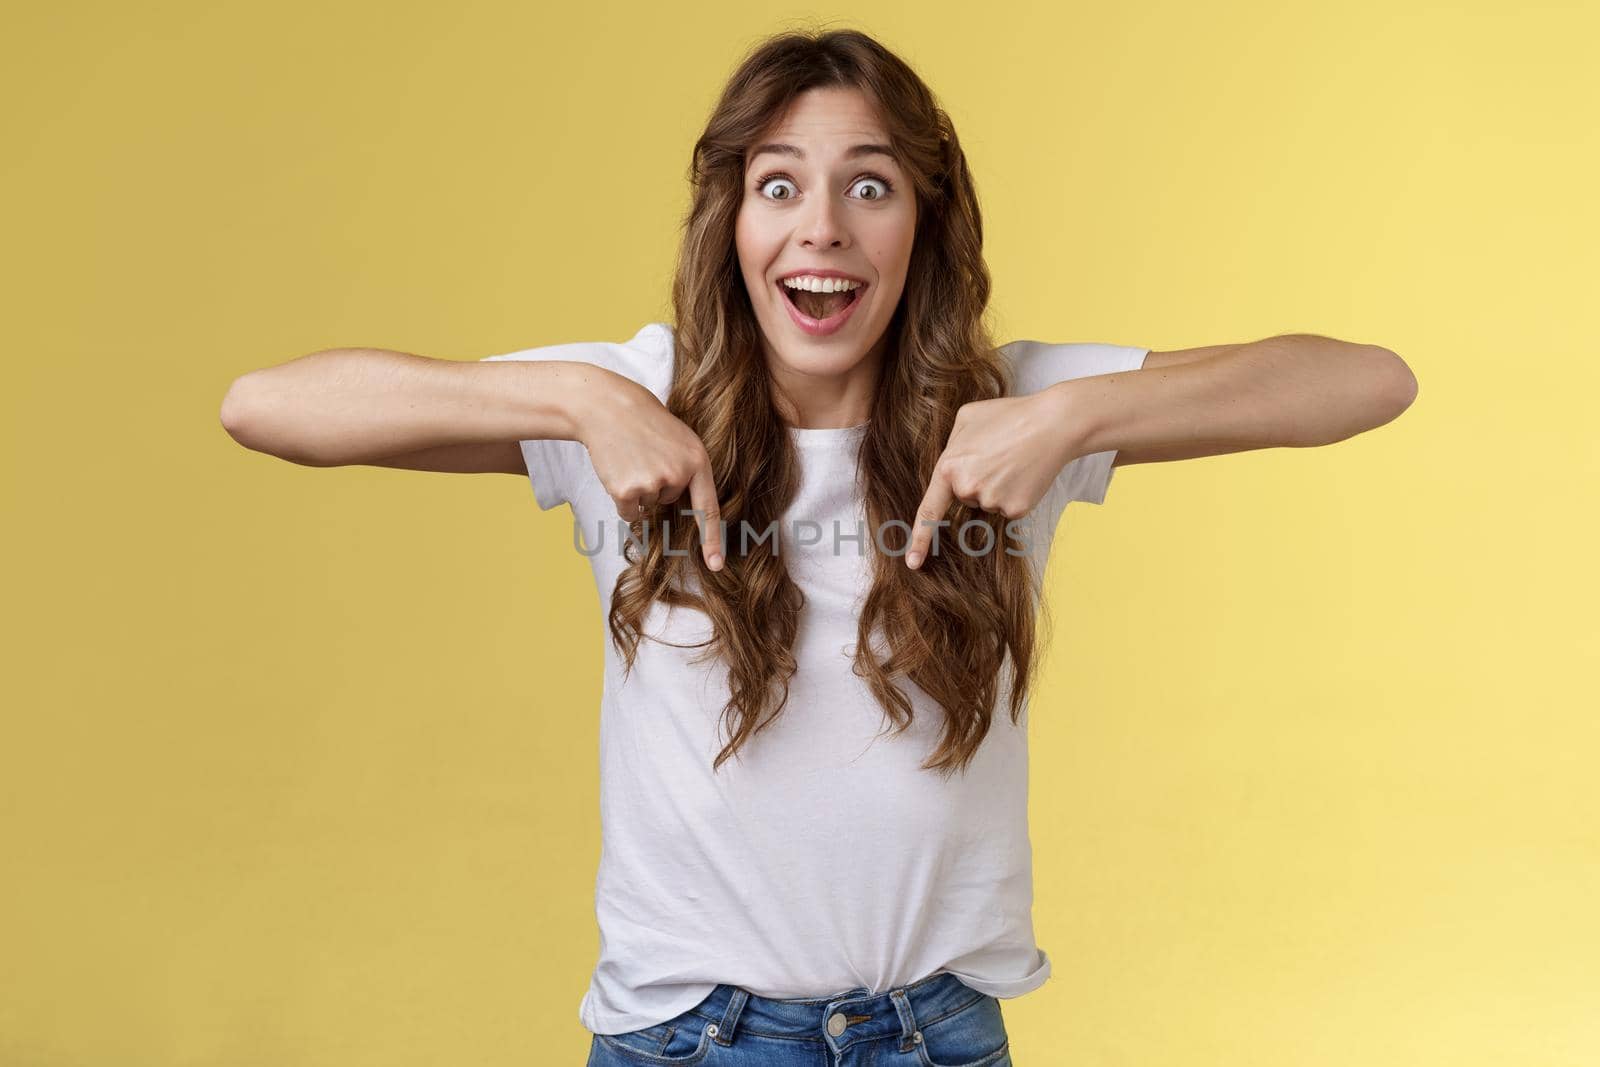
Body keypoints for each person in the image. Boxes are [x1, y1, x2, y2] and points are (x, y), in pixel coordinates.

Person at [218, 27, 1417, 1067]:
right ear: (731, 221)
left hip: (937, 1033)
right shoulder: (637, 399)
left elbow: (1365, 381)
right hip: (685, 1038)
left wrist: (1075, 413)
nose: (822, 230)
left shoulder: (1013, 411)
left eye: (872, 186)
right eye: (779, 186)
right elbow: (267, 405)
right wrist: (576, 397)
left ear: (924, 222)